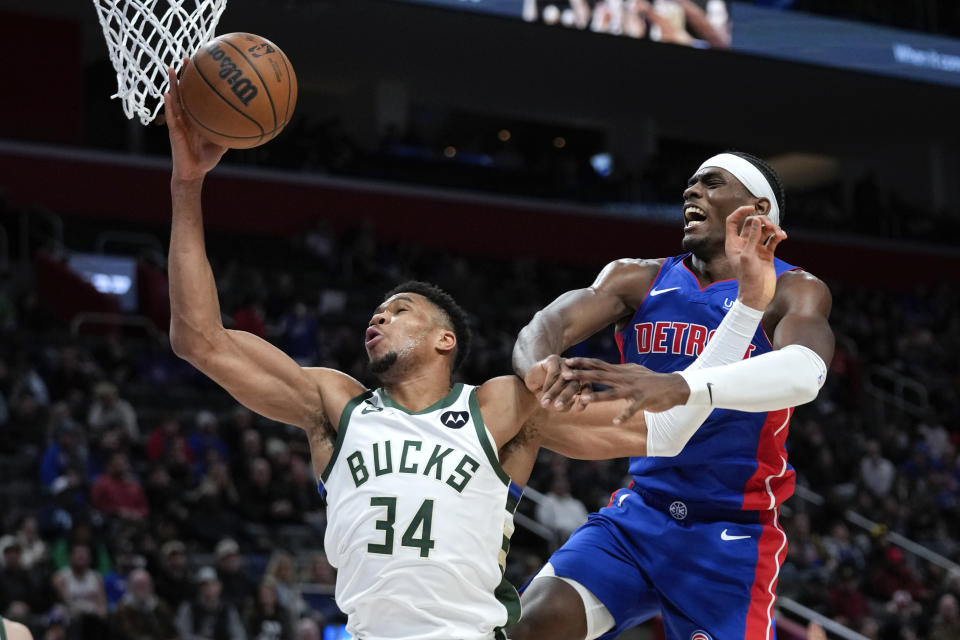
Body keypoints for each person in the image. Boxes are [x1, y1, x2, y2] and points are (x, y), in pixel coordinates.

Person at [163, 65, 785, 640]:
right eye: (378, 310)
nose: (379, 314)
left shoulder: (503, 409)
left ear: (446, 339)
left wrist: (748, 309)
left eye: (401, 308)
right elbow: (200, 339)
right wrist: (187, 184)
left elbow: (672, 430)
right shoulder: (335, 403)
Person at [510, 151, 834, 640]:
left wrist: (681, 385)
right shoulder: (637, 277)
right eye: (689, 184)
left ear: (757, 209)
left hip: (731, 531)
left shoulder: (794, 288)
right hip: (640, 514)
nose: (690, 191)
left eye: (711, 182)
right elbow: (547, 324)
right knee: (531, 623)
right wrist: (542, 365)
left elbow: (806, 373)